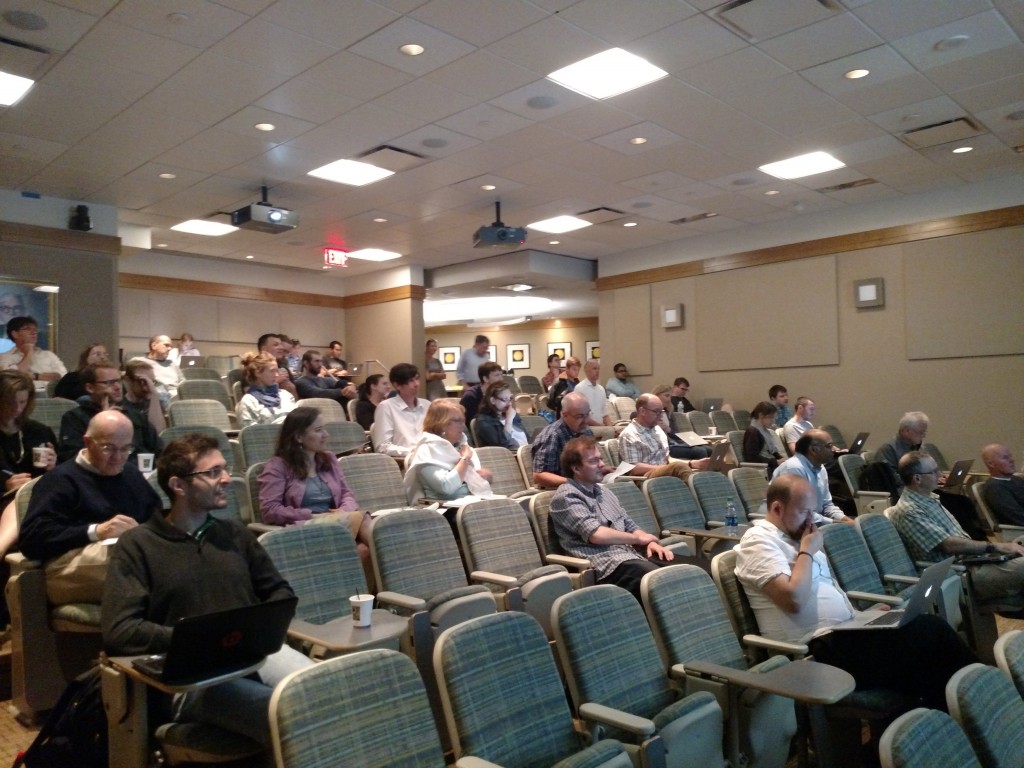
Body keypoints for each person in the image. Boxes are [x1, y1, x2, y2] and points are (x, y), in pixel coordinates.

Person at [102, 433, 312, 747]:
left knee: (328, 690)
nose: (226, 479)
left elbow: (279, 591)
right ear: (178, 485)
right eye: (213, 472)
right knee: (291, 714)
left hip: (252, 653)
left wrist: (257, 629)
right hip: (189, 676)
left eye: (224, 469)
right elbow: (120, 631)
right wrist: (197, 639)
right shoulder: (138, 545)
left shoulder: (234, 534)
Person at [734, 474, 976, 711]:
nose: (810, 521)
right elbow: (793, 600)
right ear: (777, 508)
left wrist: (861, 617)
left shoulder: (799, 537)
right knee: (930, 633)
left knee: (926, 647)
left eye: (812, 513)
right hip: (812, 652)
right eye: (804, 512)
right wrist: (806, 552)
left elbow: (827, 593)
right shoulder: (758, 542)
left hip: (844, 636)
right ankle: (975, 702)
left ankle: (957, 711)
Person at [22, 410, 162, 603]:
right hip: (71, 564)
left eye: (125, 449)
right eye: (108, 448)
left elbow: (154, 516)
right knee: (134, 563)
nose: (118, 457)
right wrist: (96, 531)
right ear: (88, 442)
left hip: (125, 555)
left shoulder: (130, 474)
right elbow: (32, 539)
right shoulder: (60, 480)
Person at [890, 450, 1024, 616]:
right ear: (917, 478)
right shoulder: (909, 511)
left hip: (975, 560)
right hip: (960, 572)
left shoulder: (929, 499)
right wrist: (996, 546)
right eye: (934, 471)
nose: (940, 475)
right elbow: (950, 545)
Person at [550, 435, 674, 601]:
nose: (602, 464)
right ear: (576, 469)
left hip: (630, 555)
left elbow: (629, 525)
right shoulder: (566, 496)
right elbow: (596, 535)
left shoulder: (604, 491)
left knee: (690, 569)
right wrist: (639, 539)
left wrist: (649, 542)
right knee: (662, 580)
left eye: (601, 459)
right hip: (605, 565)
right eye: (594, 461)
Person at [258, 407, 374, 580]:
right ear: (298, 437)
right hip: (303, 528)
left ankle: (360, 595)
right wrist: (312, 515)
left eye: (324, 429)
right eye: (318, 430)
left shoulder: (329, 459)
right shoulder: (278, 466)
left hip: (335, 524)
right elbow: (269, 510)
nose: (326, 435)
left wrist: (344, 511)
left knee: (364, 551)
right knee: (365, 520)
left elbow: (347, 494)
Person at [58, 362, 163, 464]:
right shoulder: (75, 418)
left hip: (140, 471)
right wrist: (105, 424)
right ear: (90, 388)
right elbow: (74, 458)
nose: (117, 387)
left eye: (118, 381)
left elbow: (159, 450)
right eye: (109, 383)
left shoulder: (133, 415)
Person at [0, 371, 57, 556]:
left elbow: (61, 474)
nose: (17, 408)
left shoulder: (38, 431)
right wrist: (5, 486)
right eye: (10, 402)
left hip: (39, 496)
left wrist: (53, 466)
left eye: (22, 402)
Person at [403, 400, 492, 504]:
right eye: (457, 420)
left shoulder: (461, 447)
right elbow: (446, 487)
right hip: (444, 508)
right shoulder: (427, 451)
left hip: (471, 502)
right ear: (440, 424)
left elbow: (476, 483)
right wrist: (465, 459)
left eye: (463, 420)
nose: (463, 425)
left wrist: (485, 477)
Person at [619, 393, 710, 481]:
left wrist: (692, 463)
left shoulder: (658, 430)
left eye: (661, 412)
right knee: (679, 467)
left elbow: (667, 459)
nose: (660, 416)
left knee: (700, 465)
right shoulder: (629, 434)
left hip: (664, 473)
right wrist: (668, 468)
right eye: (657, 412)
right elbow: (634, 468)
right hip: (644, 478)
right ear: (642, 411)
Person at [772, 430, 852, 525]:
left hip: (812, 522)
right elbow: (798, 512)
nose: (834, 450)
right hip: (786, 526)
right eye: (829, 446)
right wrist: (836, 523)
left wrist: (846, 520)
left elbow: (827, 505)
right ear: (814, 450)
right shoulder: (793, 468)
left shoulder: (820, 467)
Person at [532, 392, 600, 488]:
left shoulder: (586, 431)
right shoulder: (552, 436)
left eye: (587, 414)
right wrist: (575, 483)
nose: (586, 421)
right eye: (580, 416)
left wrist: (602, 470)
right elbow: (539, 476)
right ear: (565, 415)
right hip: (560, 490)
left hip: (585, 485)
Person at [371, 363, 430, 458]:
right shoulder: (386, 407)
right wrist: (412, 452)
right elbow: (383, 447)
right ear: (397, 385)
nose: (416, 384)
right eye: (411, 381)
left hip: (430, 456)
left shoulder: (427, 405)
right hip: (405, 459)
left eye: (417, 379)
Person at [0, 316, 67, 386]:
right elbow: (10, 379)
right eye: (27, 329)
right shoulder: (5, 357)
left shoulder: (48, 355)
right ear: (15, 334)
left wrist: (34, 376)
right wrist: (28, 354)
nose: (34, 332)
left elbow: (63, 377)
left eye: (35, 330)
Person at [236, 352, 297, 429]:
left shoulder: (286, 395)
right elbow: (250, 433)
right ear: (258, 373)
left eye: (277, 371)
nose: (277, 375)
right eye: (272, 371)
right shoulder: (248, 401)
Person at [651, 385, 712, 460]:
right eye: (666, 396)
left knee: (709, 450)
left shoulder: (669, 413)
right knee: (700, 451)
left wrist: (668, 429)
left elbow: (677, 434)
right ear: (656, 396)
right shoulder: (651, 413)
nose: (669, 399)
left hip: (674, 443)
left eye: (670, 396)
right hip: (665, 445)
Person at [131, 333, 185, 409]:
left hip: (177, 395)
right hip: (158, 395)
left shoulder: (172, 364)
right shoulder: (139, 362)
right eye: (166, 345)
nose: (169, 348)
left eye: (170, 346)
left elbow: (183, 382)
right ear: (154, 346)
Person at [474, 380, 528, 451]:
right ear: (492, 400)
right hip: (509, 455)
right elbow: (501, 448)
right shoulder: (484, 421)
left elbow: (526, 438)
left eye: (510, 399)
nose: (509, 403)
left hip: (525, 451)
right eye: (505, 399)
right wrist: (508, 421)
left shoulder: (511, 414)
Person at [981, 443, 1024, 526]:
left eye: (1010, 456)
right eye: (1005, 458)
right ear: (991, 464)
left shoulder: (1015, 479)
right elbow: (1018, 517)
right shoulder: (995, 488)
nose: (1012, 460)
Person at [121, 359, 167, 434]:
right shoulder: (122, 407)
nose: (149, 386)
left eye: (152, 382)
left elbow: (159, 433)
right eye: (143, 381)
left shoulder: (154, 402)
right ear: (128, 381)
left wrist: (154, 393)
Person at [575, 359, 614, 438]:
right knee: (608, 431)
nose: (597, 371)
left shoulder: (601, 389)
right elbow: (581, 416)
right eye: (594, 368)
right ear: (586, 371)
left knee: (619, 430)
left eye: (598, 368)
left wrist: (611, 428)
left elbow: (605, 414)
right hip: (586, 427)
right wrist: (602, 427)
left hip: (600, 426)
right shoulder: (580, 388)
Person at [744, 401, 785, 472]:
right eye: (771, 417)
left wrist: (782, 459)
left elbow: (772, 452)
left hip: (771, 465)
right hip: (764, 469)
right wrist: (775, 462)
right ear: (761, 415)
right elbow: (752, 457)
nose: (773, 421)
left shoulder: (764, 430)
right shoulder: (753, 432)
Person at [256, 333, 298, 398]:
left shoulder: (283, 368)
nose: (281, 348)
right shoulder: (254, 368)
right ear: (263, 349)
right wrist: (276, 381)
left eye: (280, 344)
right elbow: (250, 394)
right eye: (275, 345)